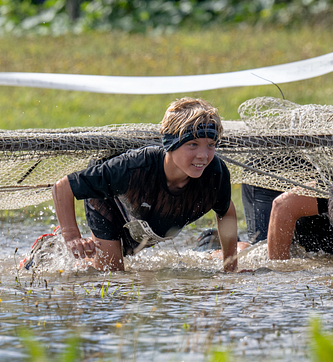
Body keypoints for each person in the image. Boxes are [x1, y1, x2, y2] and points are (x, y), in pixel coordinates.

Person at [43, 97, 239, 272]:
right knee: (112, 276)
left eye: (211, 145)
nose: (203, 156)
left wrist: (230, 268)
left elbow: (226, 210)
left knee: (125, 262)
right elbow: (63, 187)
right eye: (193, 144)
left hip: (143, 220)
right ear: (170, 143)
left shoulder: (215, 174)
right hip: (109, 204)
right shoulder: (133, 167)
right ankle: (48, 252)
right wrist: (71, 237)